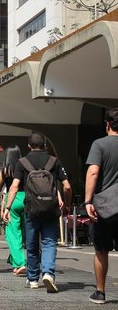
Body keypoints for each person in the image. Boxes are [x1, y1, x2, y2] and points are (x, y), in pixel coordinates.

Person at [4, 132, 71, 293]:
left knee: (32, 244)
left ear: (29, 146)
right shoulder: (54, 161)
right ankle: (48, 273)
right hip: (51, 209)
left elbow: (14, 186)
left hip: (32, 210)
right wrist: (67, 204)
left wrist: (7, 207)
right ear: (45, 145)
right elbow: (67, 186)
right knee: (49, 243)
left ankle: (33, 279)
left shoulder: (22, 162)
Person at [84, 108, 118, 304]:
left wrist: (88, 201)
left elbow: (93, 173)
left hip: (106, 207)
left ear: (107, 125)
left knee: (101, 249)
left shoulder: (99, 144)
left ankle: (100, 292)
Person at [0, 145, 26, 276]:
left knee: (13, 234)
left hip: (12, 200)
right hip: (27, 198)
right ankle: (14, 261)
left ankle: (20, 263)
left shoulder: (5, 170)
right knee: (24, 233)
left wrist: (2, 206)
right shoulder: (25, 167)